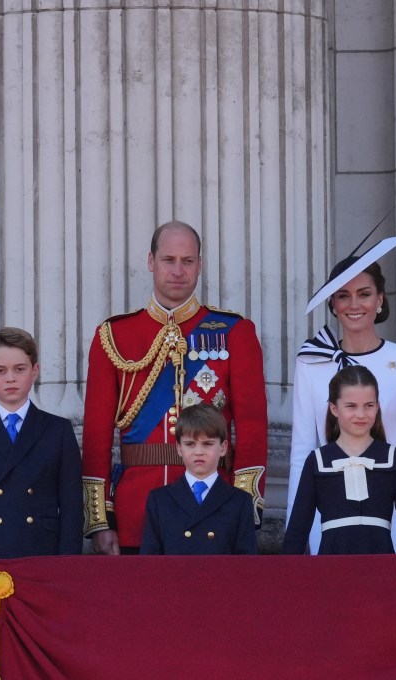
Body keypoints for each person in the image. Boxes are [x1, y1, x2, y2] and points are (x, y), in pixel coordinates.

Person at [82, 221, 268, 554]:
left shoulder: (234, 332)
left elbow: (252, 426)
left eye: (188, 260)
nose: (178, 270)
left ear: (200, 264)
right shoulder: (113, 336)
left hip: (216, 509)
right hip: (136, 511)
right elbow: (96, 436)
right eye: (169, 260)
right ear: (151, 262)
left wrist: (246, 506)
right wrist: (101, 519)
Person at [289, 241, 396, 552]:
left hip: (392, 518)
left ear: (380, 299)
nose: (354, 304)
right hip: (327, 523)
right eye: (343, 295)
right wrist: (296, 529)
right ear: (332, 304)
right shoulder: (311, 362)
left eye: (364, 294)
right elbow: (302, 450)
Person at [0, 327, 83, 558]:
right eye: (1, 370)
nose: (10, 378)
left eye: (20, 369)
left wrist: (67, 566)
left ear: (35, 371)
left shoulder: (58, 430)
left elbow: (72, 508)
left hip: (41, 552)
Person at [283, 366, 396, 555]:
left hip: (381, 568)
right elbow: (298, 528)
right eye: (351, 406)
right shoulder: (317, 461)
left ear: (377, 406)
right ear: (334, 408)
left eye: (369, 405)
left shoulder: (393, 458)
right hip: (332, 569)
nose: (361, 414)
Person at [140, 404, 257, 555]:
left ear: (223, 447)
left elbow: (246, 564)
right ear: (179, 448)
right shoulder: (160, 500)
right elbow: (150, 563)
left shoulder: (240, 501)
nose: (199, 452)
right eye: (190, 444)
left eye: (207, 444)